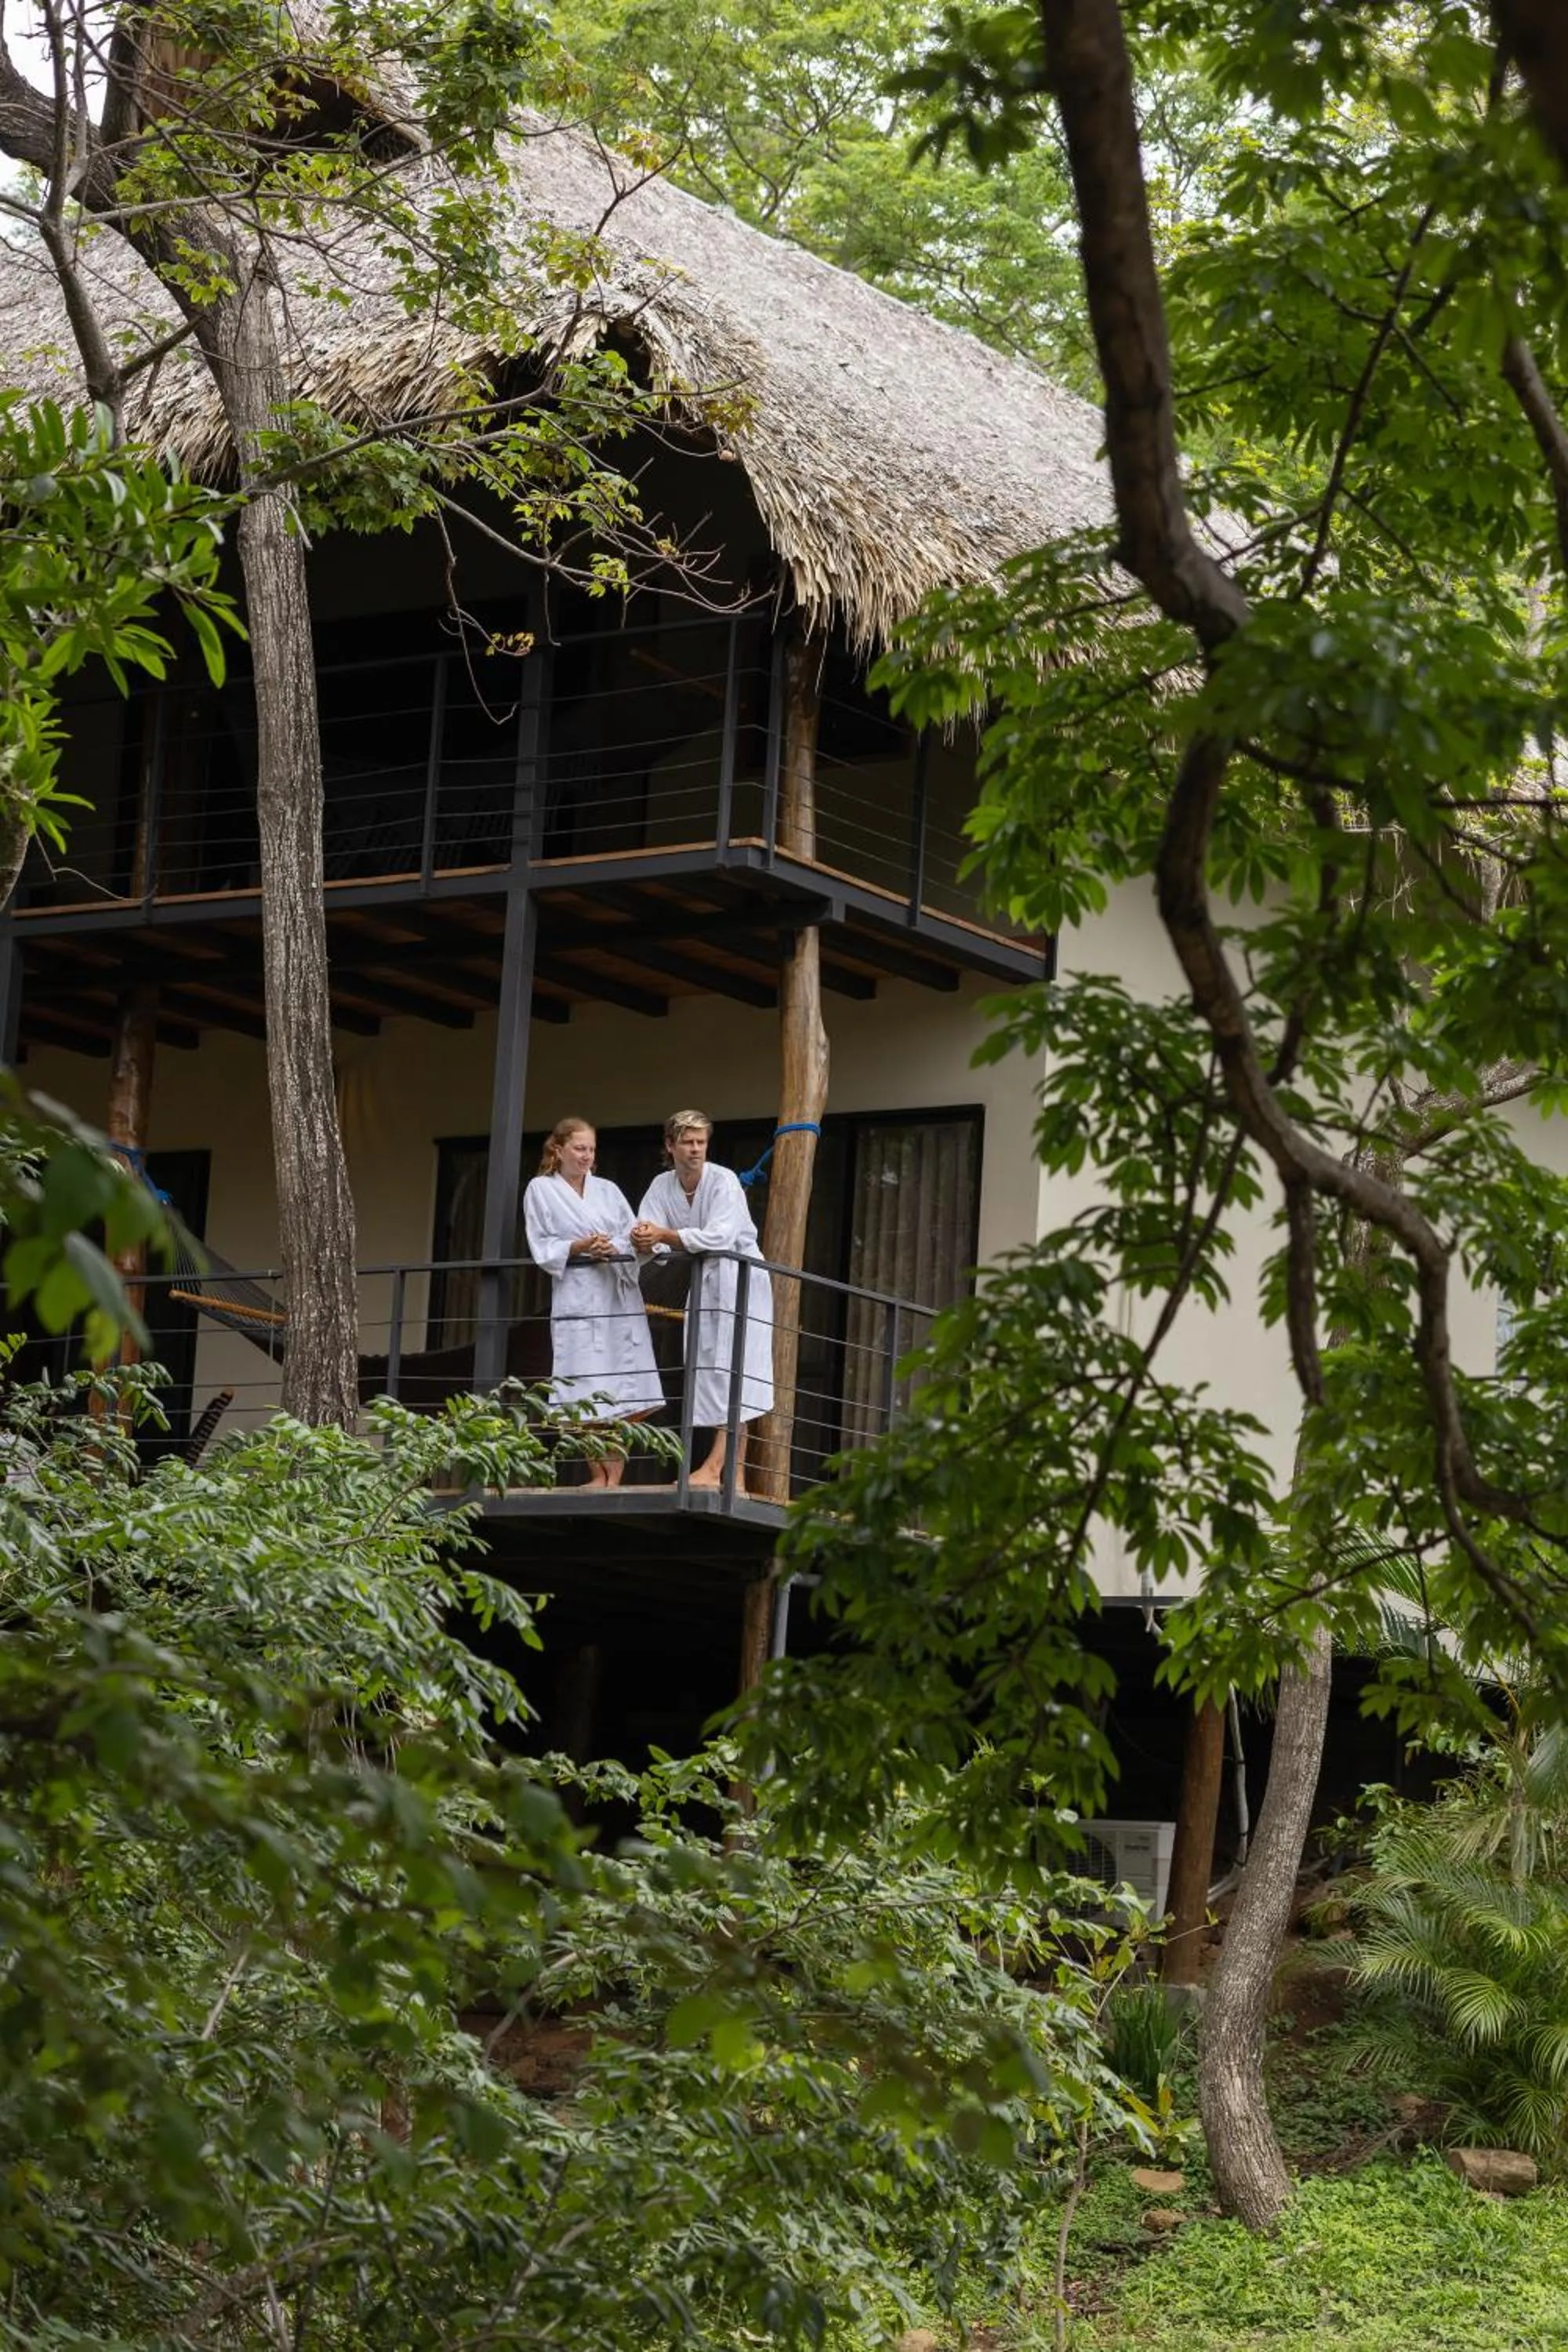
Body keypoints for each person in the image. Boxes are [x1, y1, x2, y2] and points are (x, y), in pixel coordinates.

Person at [632, 1109, 774, 1493]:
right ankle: (736, 1475)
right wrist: (644, 1237)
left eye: (701, 1142)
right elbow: (650, 1231)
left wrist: (664, 1234)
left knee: (735, 1369)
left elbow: (720, 1238)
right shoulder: (662, 1185)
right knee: (709, 1368)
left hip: (739, 1277)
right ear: (670, 1145)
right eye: (688, 1142)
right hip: (705, 1281)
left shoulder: (724, 1181)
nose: (695, 1150)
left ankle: (715, 1467)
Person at [523, 1116, 662, 1486]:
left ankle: (613, 1475)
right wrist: (581, 1246)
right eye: (580, 1149)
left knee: (621, 1383)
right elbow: (542, 1244)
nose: (587, 1157)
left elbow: (629, 1234)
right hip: (578, 1293)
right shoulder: (540, 1190)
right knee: (582, 1382)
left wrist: (612, 1246)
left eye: (591, 1150)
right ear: (559, 1149)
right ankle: (596, 1472)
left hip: (616, 1292)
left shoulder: (608, 1189)